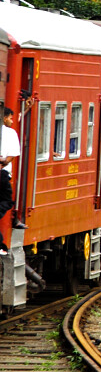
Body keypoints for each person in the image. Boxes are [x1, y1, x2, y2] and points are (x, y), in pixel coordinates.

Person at [0, 102, 24, 256]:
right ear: (4, 117)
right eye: (10, 117)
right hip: (3, 176)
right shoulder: (10, 133)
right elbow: (12, 156)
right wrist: (2, 163)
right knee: (7, 201)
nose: (12, 120)